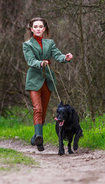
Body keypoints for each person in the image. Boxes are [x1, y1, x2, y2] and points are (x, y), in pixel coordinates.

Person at [23, 17, 73, 151]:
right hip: (34, 80)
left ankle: (36, 138)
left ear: (44, 29)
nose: (38, 29)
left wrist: (65, 58)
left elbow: (57, 55)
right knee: (37, 109)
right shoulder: (27, 45)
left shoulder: (49, 43)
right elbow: (30, 61)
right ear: (31, 29)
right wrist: (40, 63)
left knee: (43, 112)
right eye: (36, 27)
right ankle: (39, 135)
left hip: (47, 81)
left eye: (41, 26)